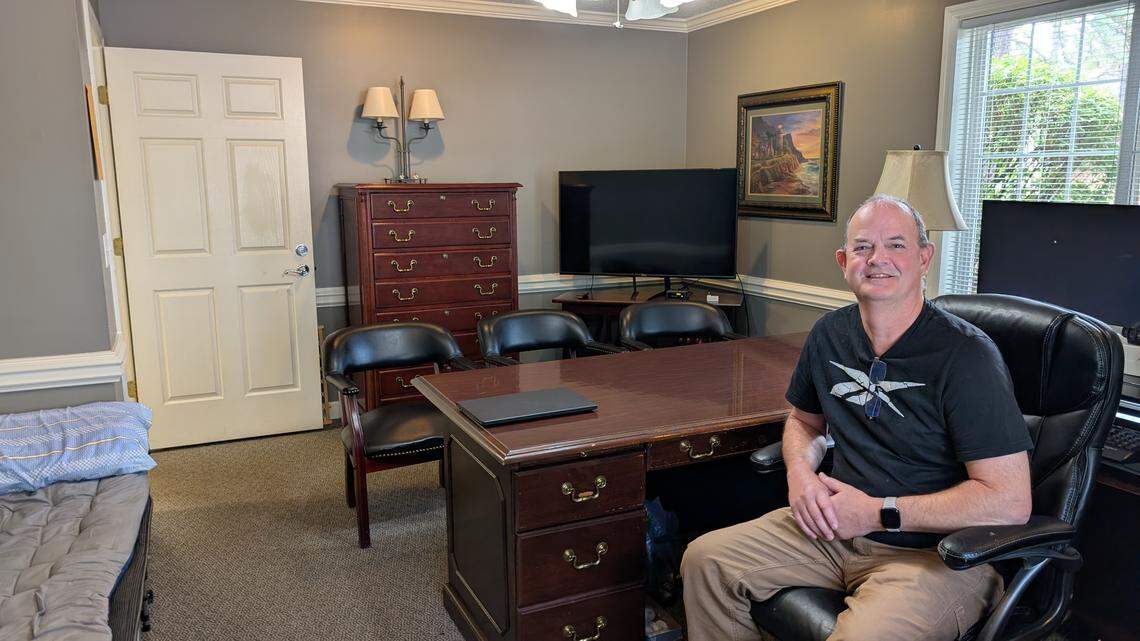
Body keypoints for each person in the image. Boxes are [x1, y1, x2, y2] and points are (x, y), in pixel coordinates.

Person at [681, 195, 1034, 641]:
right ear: (843, 261)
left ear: (925, 257)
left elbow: (1009, 502)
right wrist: (799, 475)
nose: (877, 259)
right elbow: (804, 422)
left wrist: (876, 513)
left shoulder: (967, 356)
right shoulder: (830, 333)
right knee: (706, 561)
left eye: (896, 245)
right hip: (833, 532)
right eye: (863, 247)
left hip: (938, 556)